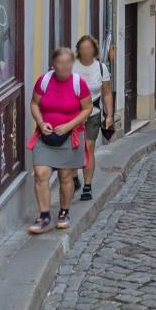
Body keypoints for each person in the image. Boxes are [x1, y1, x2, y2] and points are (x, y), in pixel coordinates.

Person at [27, 46, 94, 233]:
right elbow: (34, 103)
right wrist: (40, 122)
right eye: (60, 63)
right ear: (53, 64)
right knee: (40, 174)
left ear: (72, 64)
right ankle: (44, 216)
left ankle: (64, 212)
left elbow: (87, 109)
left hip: (70, 136)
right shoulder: (44, 81)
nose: (64, 67)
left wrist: (69, 125)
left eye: (68, 63)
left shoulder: (78, 84)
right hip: (45, 135)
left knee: (66, 175)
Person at [72, 34, 112, 202]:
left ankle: (87, 185)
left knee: (88, 147)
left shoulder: (101, 68)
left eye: (89, 48)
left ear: (94, 50)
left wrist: (109, 115)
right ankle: (74, 176)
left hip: (93, 113)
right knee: (74, 148)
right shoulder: (71, 67)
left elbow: (107, 93)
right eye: (83, 48)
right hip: (72, 114)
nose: (86, 51)